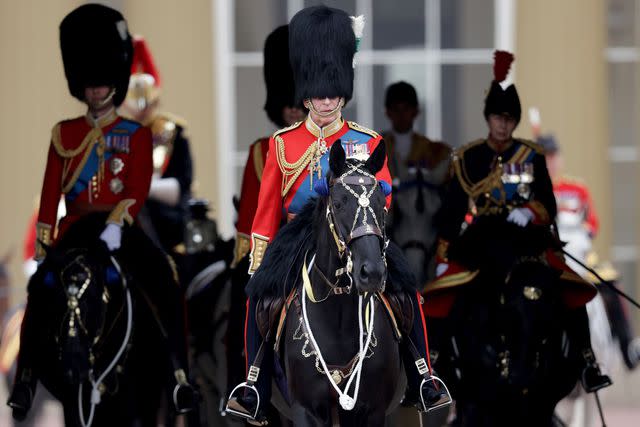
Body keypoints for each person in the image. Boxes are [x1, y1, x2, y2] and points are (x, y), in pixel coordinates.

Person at [226, 6, 449, 425]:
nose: (327, 102)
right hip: (298, 239)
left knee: (405, 292)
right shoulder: (282, 143)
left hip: (359, 231)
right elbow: (268, 206)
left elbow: (384, 193)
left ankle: (424, 376)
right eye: (319, 94)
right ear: (306, 94)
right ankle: (253, 383)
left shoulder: (366, 141)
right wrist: (260, 257)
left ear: (343, 93)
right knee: (261, 299)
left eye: (334, 94)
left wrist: (365, 217)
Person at [7, 4, 195, 420]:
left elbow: (138, 186)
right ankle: (25, 379)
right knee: (40, 294)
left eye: (102, 83)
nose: (95, 91)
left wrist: (118, 223)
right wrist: (43, 243)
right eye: (89, 84)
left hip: (120, 228)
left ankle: (180, 377)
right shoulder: (65, 133)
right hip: (76, 229)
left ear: (115, 84)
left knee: (164, 280)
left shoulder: (137, 135)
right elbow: (49, 191)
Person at [427, 50, 611, 393]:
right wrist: (443, 256)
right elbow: (452, 212)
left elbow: (549, 204)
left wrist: (531, 211)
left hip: (524, 240)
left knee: (571, 288)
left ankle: (587, 362)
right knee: (446, 292)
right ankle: (433, 367)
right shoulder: (469, 157)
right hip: (482, 239)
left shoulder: (532, 157)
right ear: (488, 118)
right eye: (498, 117)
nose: (503, 124)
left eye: (510, 118)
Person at [539, 134, 640, 371]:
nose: (551, 162)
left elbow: (593, 222)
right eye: (546, 158)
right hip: (547, 256)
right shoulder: (535, 191)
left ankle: (627, 347)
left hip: (579, 252)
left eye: (554, 157)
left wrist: (582, 230)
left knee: (610, 282)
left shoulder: (577, 188)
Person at [119, 36, 193, 257]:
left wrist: (144, 187)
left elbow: (183, 184)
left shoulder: (174, 133)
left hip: (166, 220)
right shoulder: (114, 135)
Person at [383, 81, 451, 283]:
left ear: (415, 112)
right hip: (390, 225)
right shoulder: (375, 145)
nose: (401, 115)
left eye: (407, 109)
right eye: (396, 109)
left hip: (424, 228)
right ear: (388, 112)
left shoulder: (436, 151)